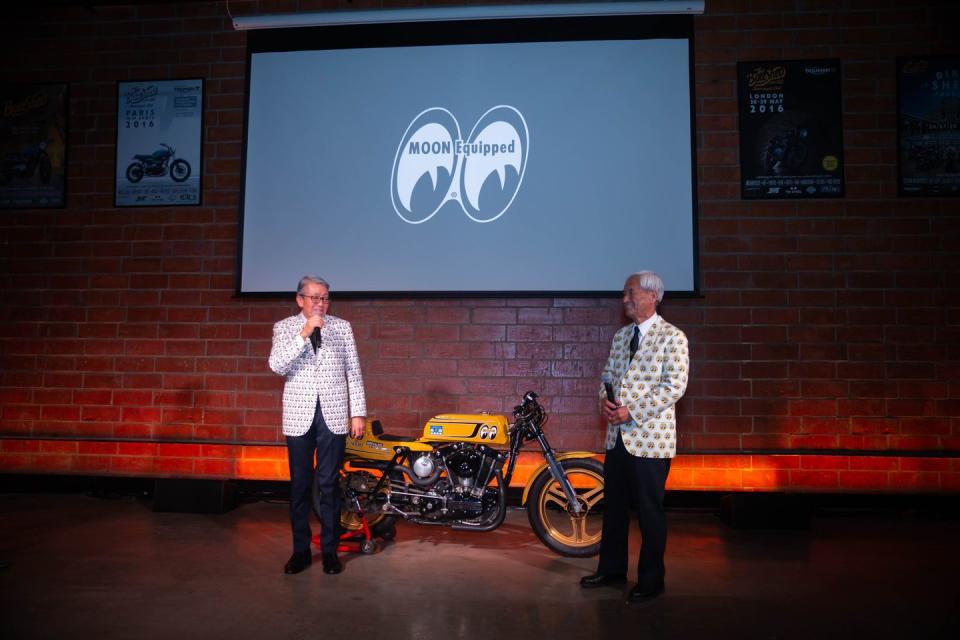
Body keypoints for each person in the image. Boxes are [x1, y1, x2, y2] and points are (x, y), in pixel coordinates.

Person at [580, 270, 689, 604]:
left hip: (650, 441)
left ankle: (652, 580)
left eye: (630, 293)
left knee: (649, 512)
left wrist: (633, 410)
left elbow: (674, 386)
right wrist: (606, 403)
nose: (624, 300)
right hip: (617, 439)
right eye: (625, 294)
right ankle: (612, 569)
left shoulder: (673, 337)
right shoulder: (621, 336)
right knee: (613, 509)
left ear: (651, 296)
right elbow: (607, 376)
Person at [269, 275, 366, 575]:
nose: (320, 303)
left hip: (334, 414)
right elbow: (277, 365)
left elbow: (353, 371)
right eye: (314, 298)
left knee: (328, 485)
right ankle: (300, 551)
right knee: (299, 485)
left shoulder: (342, 327)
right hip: (299, 415)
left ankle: (329, 551)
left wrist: (358, 412)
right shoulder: (284, 328)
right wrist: (305, 331)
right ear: (300, 300)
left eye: (325, 297)